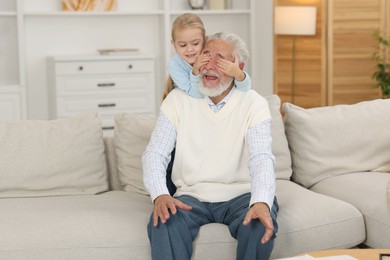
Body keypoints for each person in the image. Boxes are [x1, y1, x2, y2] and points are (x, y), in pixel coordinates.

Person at [143, 31, 278, 260]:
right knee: (163, 221)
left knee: (258, 225)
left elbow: (261, 158)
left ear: (239, 66)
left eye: (221, 59)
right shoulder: (177, 100)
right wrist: (160, 196)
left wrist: (262, 201)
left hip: (242, 195)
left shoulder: (254, 103)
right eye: (206, 55)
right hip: (191, 196)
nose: (210, 65)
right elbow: (155, 154)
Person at [163, 13, 251, 99]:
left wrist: (237, 73)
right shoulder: (174, 65)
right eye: (182, 45)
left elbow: (245, 88)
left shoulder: (208, 51)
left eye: (195, 43)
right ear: (174, 44)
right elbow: (197, 94)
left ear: (205, 40)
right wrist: (195, 71)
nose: (189, 49)